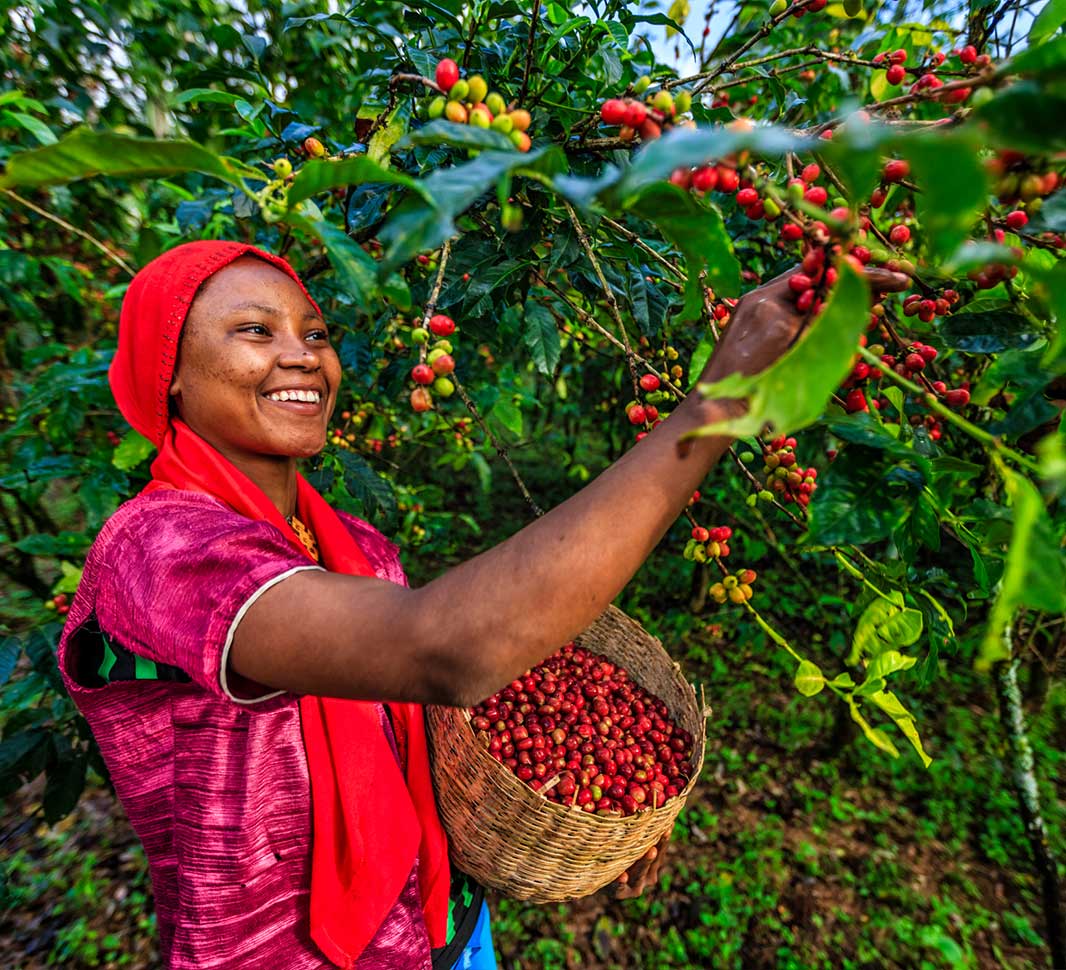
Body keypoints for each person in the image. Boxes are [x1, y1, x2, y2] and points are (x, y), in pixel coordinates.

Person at [56, 240, 907, 969]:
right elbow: (446, 650)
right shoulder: (156, 551)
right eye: (255, 331)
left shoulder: (354, 543)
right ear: (167, 376)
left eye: (316, 334)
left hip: (443, 928)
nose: (303, 356)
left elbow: (414, 730)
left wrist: (592, 812)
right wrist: (720, 399)